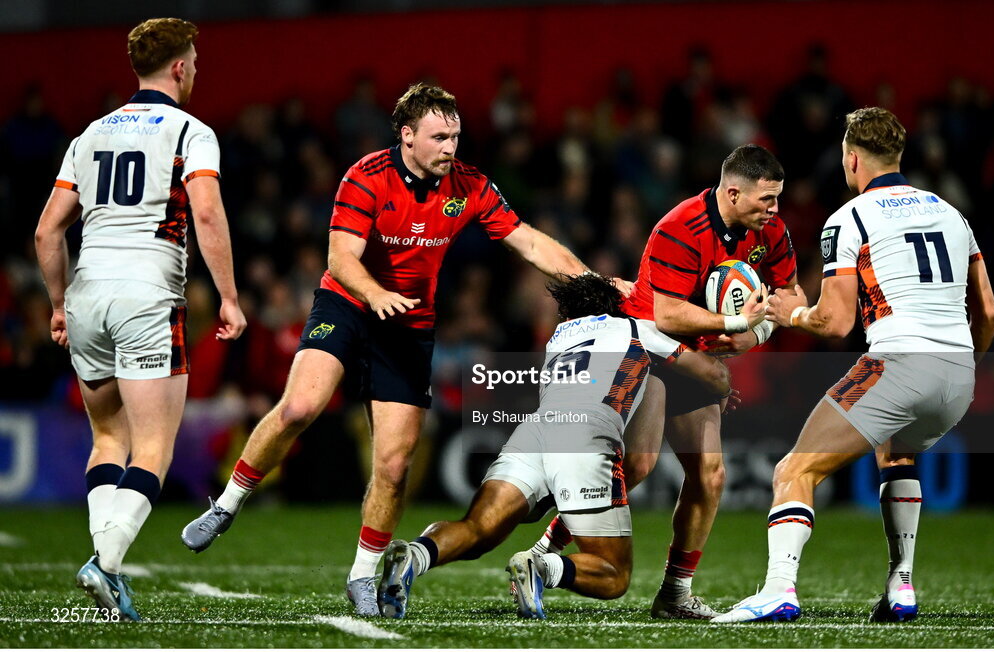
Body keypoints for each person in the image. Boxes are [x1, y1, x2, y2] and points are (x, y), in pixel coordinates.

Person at [181, 83, 626, 617]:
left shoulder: (469, 185)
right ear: (407, 135)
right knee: (300, 406)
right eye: (439, 137)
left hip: (409, 324)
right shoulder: (366, 176)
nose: (450, 148)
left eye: (456, 136)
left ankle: (364, 576)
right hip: (348, 303)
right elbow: (341, 257)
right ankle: (227, 505)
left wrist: (596, 283)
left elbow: (529, 241)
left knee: (394, 463)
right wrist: (375, 294)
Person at [713, 107, 994, 624]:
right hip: (959, 375)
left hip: (900, 364)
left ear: (850, 159)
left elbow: (836, 321)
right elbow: (991, 313)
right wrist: (959, 366)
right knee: (897, 454)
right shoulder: (952, 213)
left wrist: (791, 311)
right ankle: (901, 585)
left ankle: (779, 588)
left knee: (794, 469)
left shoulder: (851, 217)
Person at [34, 18, 246, 621]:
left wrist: (56, 303)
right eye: (196, 60)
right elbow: (205, 215)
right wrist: (228, 296)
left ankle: (110, 574)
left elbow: (48, 229)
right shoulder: (192, 131)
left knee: (107, 438)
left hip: (86, 295)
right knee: (152, 447)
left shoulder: (91, 133)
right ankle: (104, 564)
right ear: (179, 67)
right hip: (148, 293)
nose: (197, 69)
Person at [529, 144, 797, 620]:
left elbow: (791, 294)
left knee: (710, 476)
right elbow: (667, 313)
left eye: (777, 199)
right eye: (766, 200)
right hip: (651, 347)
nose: (775, 210)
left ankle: (674, 594)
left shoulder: (770, 230)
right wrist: (734, 325)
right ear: (733, 192)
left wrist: (757, 332)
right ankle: (541, 551)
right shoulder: (681, 227)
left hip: (701, 357)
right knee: (638, 464)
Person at [374, 273, 730, 620]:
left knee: (478, 528)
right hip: (585, 440)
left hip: (534, 432)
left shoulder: (559, 336)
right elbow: (714, 375)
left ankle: (415, 554)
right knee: (613, 574)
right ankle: (541, 566)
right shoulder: (637, 329)